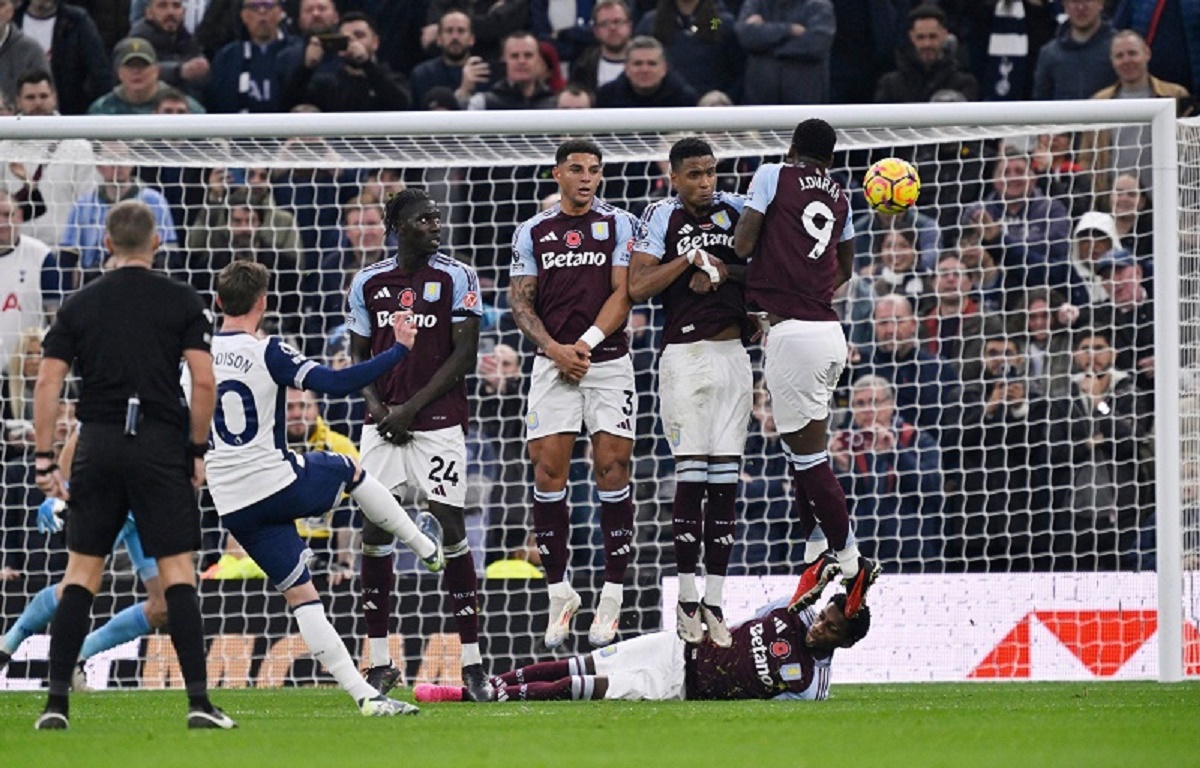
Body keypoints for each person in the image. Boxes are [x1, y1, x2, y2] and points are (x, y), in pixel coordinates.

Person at [204, 260, 444, 716]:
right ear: (263, 303)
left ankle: (366, 698)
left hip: (232, 503)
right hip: (274, 481)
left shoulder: (194, 358)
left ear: (218, 302)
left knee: (301, 596)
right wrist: (398, 349)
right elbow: (335, 384)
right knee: (348, 469)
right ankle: (425, 547)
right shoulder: (267, 351)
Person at [30, 199, 231, 729]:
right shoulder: (182, 299)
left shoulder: (79, 303)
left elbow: (47, 382)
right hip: (159, 445)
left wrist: (45, 459)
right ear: (157, 242)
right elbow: (204, 381)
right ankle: (198, 704)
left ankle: (55, 705)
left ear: (107, 244)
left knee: (81, 573)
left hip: (97, 443)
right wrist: (196, 451)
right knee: (177, 572)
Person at [345, 188, 492, 703]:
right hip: (382, 424)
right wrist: (381, 409)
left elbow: (464, 355)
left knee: (450, 525)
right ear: (399, 227)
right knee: (373, 529)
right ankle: (380, 661)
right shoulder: (367, 282)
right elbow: (358, 355)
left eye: (437, 217)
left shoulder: (458, 276)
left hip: (438, 422)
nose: (436, 225)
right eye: (425, 219)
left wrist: (410, 409)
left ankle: (473, 664)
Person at [734, 118, 879, 617]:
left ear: (792, 148)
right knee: (802, 454)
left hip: (794, 337)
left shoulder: (772, 175)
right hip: (829, 333)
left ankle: (851, 561)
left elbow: (743, 244)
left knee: (810, 459)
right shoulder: (842, 196)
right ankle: (815, 550)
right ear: (831, 160)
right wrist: (806, 288)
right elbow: (845, 268)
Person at [509, 138, 640, 649]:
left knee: (613, 469)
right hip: (552, 363)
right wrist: (554, 349)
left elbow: (624, 293)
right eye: (577, 169)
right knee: (547, 472)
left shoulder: (619, 223)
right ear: (557, 174)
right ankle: (559, 593)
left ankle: (613, 596)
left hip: (607, 363)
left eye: (594, 170)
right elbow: (521, 303)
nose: (587, 178)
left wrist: (582, 345)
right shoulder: (532, 231)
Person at [413, 562, 871, 703]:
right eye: (824, 617)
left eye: (832, 630)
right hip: (675, 646)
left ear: (845, 643)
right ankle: (485, 686)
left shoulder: (811, 684)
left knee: (579, 687)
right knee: (577, 663)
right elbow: (746, 620)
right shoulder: (790, 610)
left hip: (678, 687)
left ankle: (476, 698)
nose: (820, 628)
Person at [627, 137, 751, 646]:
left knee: (726, 483)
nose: (706, 182)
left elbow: (768, 270)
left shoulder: (738, 209)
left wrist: (721, 272)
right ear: (674, 177)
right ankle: (685, 596)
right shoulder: (659, 215)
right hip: (684, 358)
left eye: (711, 172)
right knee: (692, 478)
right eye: (695, 174)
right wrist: (690, 261)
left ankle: (715, 600)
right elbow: (637, 287)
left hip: (735, 358)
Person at [0, 430, 168, 689]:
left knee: (163, 605)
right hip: (110, 502)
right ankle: (7, 646)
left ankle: (78, 656)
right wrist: (59, 493)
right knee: (76, 586)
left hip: (149, 507)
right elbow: (78, 437)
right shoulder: (126, 404)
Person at [0, 71, 98, 249]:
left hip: (63, 249)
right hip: (14, 249)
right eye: (30, 97)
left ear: (54, 98)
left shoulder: (78, 146)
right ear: (18, 101)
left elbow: (87, 203)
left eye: (43, 96)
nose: (38, 103)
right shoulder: (4, 148)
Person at [281, 11, 410, 112]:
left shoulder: (394, 79)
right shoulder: (330, 85)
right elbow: (288, 104)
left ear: (375, 42)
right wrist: (306, 68)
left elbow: (402, 104)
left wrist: (366, 64)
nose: (353, 42)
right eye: (346, 38)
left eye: (359, 35)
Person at [735, 0, 835, 105]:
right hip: (760, 98)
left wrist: (765, 47)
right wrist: (789, 29)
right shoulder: (756, 3)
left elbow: (815, 46)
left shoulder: (819, 6)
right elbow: (745, 36)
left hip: (804, 98)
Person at [873, 5, 980, 103]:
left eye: (932, 36)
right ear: (911, 37)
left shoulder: (964, 84)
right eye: (921, 37)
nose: (927, 44)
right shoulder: (890, 85)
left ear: (944, 35)